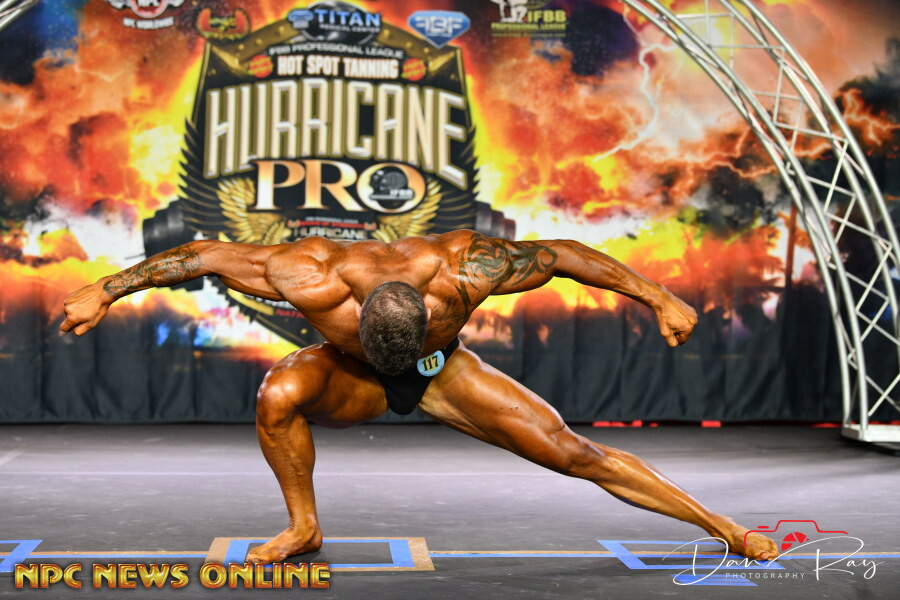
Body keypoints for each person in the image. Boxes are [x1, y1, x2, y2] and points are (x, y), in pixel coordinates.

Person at [60, 230, 778, 563]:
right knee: (277, 394)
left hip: (445, 370)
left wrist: (657, 296)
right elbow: (202, 255)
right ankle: (304, 527)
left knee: (574, 452)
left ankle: (724, 528)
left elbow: (562, 255)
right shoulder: (307, 273)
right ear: (358, 318)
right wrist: (105, 288)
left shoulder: (465, 268)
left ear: (434, 310)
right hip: (350, 377)